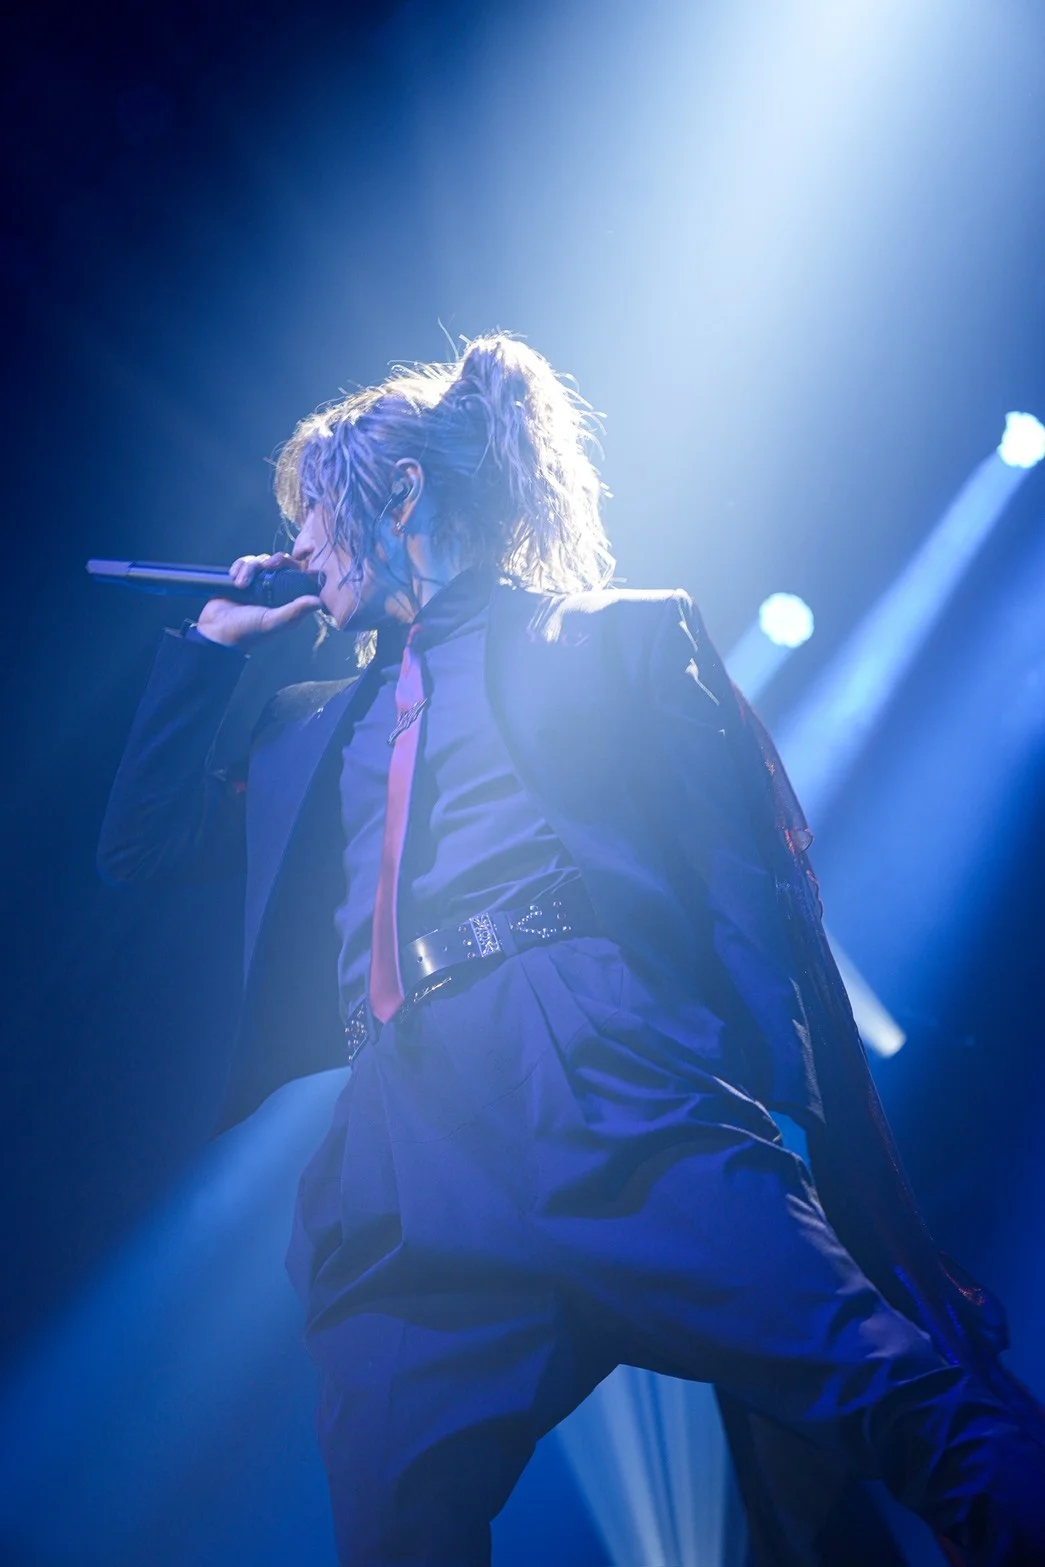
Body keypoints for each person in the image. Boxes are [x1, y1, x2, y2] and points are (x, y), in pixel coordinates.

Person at [99, 334, 1045, 1566]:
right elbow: (144, 847)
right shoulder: (309, 730)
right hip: (400, 1150)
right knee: (396, 1531)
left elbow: (741, 893)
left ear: (400, 495)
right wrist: (215, 648)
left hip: (605, 1077)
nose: (302, 547)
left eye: (319, 513)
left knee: (900, 1403)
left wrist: (747, 1089)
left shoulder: (610, 639)